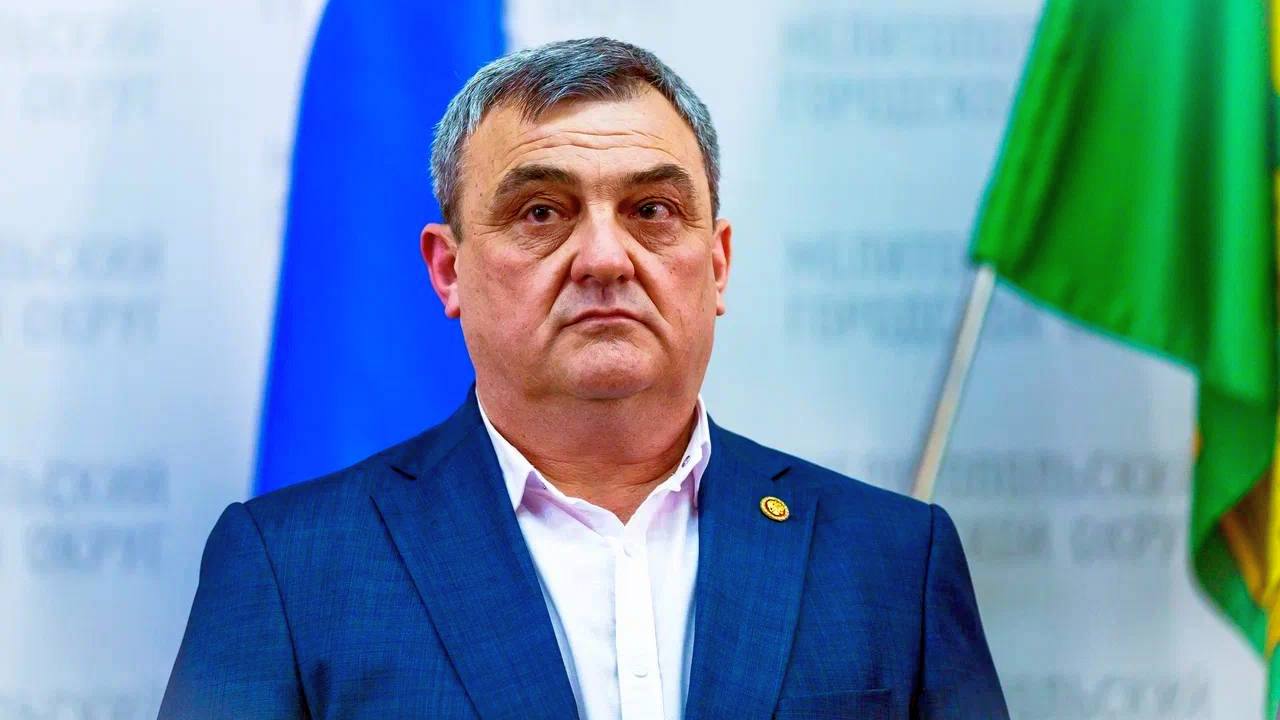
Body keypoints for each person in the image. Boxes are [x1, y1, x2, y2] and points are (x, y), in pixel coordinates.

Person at [159, 37, 1008, 720]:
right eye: (542, 212)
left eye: (651, 211)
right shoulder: (290, 566)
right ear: (448, 272)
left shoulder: (892, 559)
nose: (604, 257)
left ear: (717, 264)